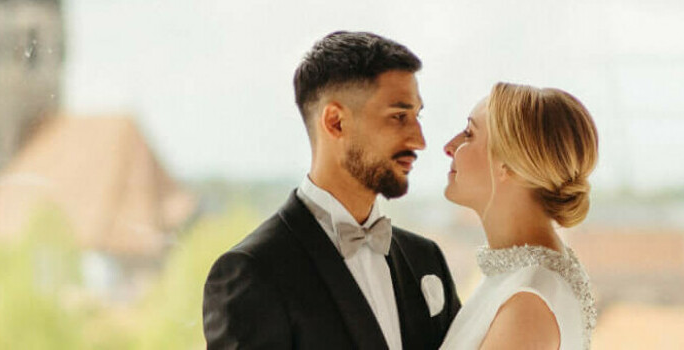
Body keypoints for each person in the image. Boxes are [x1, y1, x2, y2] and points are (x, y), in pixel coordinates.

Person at [202, 31, 462, 350]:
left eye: (416, 116)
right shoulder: (254, 271)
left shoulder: (426, 258)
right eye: (399, 117)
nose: (419, 140)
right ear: (336, 122)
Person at [437, 82, 600, 349]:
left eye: (469, 134)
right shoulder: (517, 282)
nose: (449, 146)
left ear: (509, 166)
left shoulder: (528, 300)